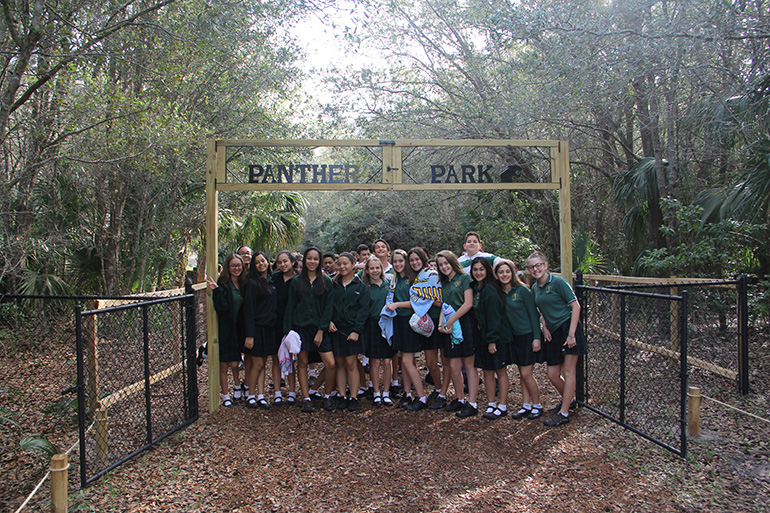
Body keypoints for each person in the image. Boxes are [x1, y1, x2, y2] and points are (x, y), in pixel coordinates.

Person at [528, 251, 585, 427]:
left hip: (568, 327)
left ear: (545, 265)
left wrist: (571, 334)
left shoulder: (559, 282)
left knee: (568, 372)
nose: (535, 269)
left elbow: (575, 306)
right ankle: (569, 400)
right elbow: (542, 310)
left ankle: (565, 412)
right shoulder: (535, 288)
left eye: (538, 265)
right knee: (552, 374)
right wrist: (544, 326)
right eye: (532, 267)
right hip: (552, 332)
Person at [284, 247, 336, 413]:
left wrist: (321, 330)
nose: (312, 262)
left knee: (330, 364)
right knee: (302, 362)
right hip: (301, 328)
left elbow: (329, 308)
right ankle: (306, 398)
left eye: (315, 259)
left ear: (319, 261)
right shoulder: (296, 282)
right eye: (309, 258)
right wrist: (288, 332)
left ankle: (327, 395)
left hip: (320, 329)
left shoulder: (326, 281)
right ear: (304, 261)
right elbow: (290, 307)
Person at [495, 259, 543, 420]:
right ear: (497, 275)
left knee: (526, 373)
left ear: (513, 273)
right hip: (513, 337)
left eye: (507, 271)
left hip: (527, 335)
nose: (504, 275)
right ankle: (526, 404)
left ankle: (537, 405)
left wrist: (537, 338)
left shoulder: (523, 291)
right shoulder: (500, 293)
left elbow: (534, 315)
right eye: (501, 272)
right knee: (522, 374)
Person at [434, 250, 477, 412]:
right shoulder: (444, 283)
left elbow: (468, 303)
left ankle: (472, 403)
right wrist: (441, 325)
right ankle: (460, 398)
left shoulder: (465, 278)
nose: (444, 267)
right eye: (441, 265)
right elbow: (444, 306)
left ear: (453, 262)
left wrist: (451, 321)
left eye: (446, 263)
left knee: (469, 364)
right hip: (449, 325)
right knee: (453, 366)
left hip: (465, 323)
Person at [470, 257, 510, 419]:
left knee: (500, 370)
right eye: (475, 270)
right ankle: (491, 403)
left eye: (481, 269)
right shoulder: (475, 288)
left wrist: (492, 340)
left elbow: (495, 317)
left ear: (487, 271)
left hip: (496, 336)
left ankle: (503, 405)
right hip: (483, 335)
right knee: (487, 371)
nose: (478, 272)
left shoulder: (490, 290)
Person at [329, 252, 369, 411]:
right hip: (336, 329)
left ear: (354, 265)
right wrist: (329, 321)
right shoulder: (333, 285)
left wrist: (357, 330)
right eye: (339, 264)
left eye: (345, 263)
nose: (342, 267)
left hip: (352, 330)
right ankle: (342, 396)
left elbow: (363, 310)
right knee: (339, 363)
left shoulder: (361, 287)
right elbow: (328, 305)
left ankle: (353, 396)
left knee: (351, 363)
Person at [207, 253, 245, 407]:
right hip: (226, 330)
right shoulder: (223, 286)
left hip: (239, 329)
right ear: (227, 268)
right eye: (233, 266)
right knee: (223, 365)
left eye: (238, 265)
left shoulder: (244, 285)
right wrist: (216, 291)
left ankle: (237, 388)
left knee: (236, 364)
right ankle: (225, 394)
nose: (236, 268)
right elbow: (222, 308)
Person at [242, 251, 277, 409]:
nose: (261, 264)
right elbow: (248, 310)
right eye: (257, 262)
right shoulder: (252, 283)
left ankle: (261, 395)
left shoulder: (270, 281)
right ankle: (250, 394)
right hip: (256, 328)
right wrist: (249, 335)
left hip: (269, 328)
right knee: (257, 363)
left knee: (263, 363)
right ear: (253, 266)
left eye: (263, 261)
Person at [385, 249, 417, 407]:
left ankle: (420, 395)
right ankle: (407, 393)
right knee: (403, 359)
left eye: (400, 261)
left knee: (407, 360)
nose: (397, 264)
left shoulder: (412, 278)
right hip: (397, 320)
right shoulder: (393, 278)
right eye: (395, 261)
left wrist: (397, 304)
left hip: (410, 320)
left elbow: (418, 302)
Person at [362, 255, 395, 406]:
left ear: (381, 269)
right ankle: (376, 392)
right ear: (367, 270)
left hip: (387, 323)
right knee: (374, 361)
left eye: (377, 267)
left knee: (387, 361)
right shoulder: (365, 287)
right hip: (372, 324)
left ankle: (386, 393)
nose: (375, 271)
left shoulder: (388, 284)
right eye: (372, 268)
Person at [272, 250, 298, 404]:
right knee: (276, 358)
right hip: (275, 322)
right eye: (279, 262)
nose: (282, 265)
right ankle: (277, 392)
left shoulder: (298, 279)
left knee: (292, 358)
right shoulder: (274, 278)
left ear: (292, 262)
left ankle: (293, 391)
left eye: (285, 261)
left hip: (293, 323)